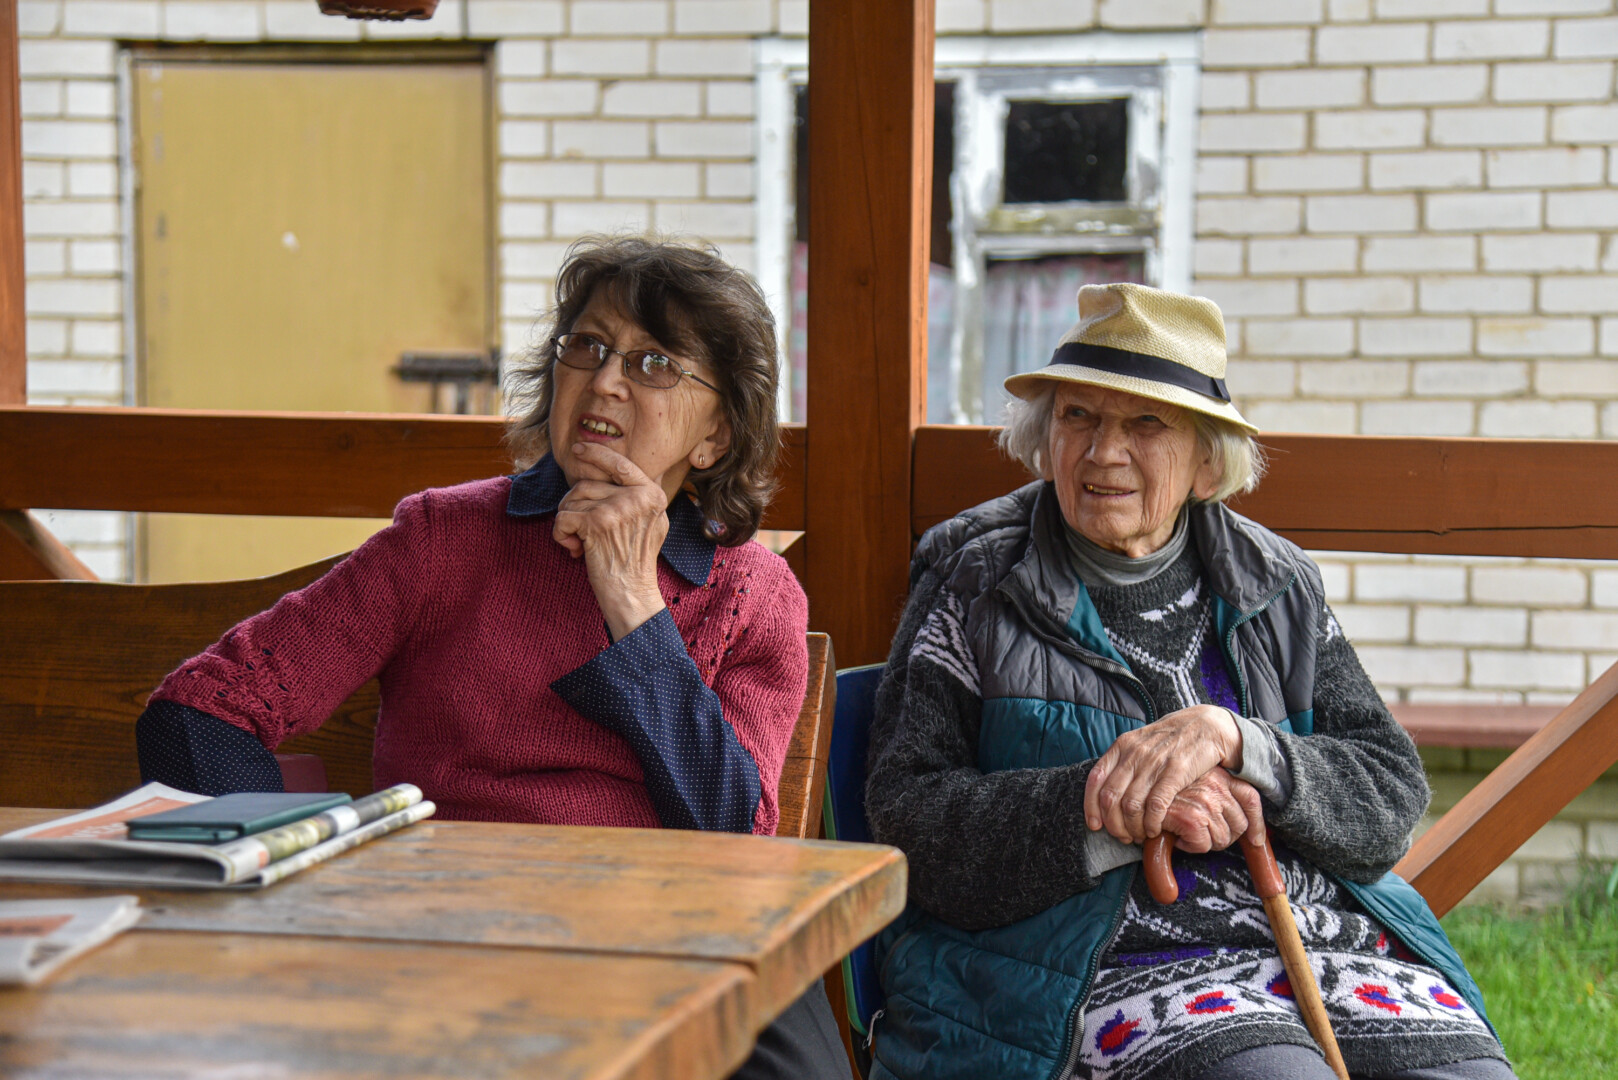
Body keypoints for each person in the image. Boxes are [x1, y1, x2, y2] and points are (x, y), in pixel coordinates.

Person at [135, 235, 847, 1080]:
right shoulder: (445, 539)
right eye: (588, 346)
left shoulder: (753, 593)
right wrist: (304, 885)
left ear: (716, 435)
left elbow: (734, 832)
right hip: (450, 940)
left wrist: (632, 600)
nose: (605, 381)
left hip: (667, 950)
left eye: (654, 363)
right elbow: (200, 710)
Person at [863, 282, 1512, 1080]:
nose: (1103, 452)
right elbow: (907, 819)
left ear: (1207, 458)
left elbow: (1389, 796)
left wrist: (1244, 743)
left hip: (1315, 946)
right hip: (1089, 969)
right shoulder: (977, 581)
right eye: (1078, 416)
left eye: (1145, 424)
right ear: (1046, 433)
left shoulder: (1276, 582)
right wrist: (1112, 805)